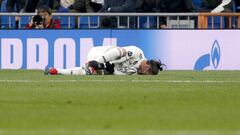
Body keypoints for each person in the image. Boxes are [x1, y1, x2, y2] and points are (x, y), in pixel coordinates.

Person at [45, 46, 165, 75]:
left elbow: (119, 73)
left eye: (147, 74)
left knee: (92, 73)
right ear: (148, 65)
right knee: (119, 54)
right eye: (147, 72)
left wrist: (111, 71)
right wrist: (99, 62)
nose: (144, 74)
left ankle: (56, 71)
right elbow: (117, 52)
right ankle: (94, 65)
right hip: (99, 53)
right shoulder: (137, 53)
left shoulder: (134, 72)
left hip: (103, 65)